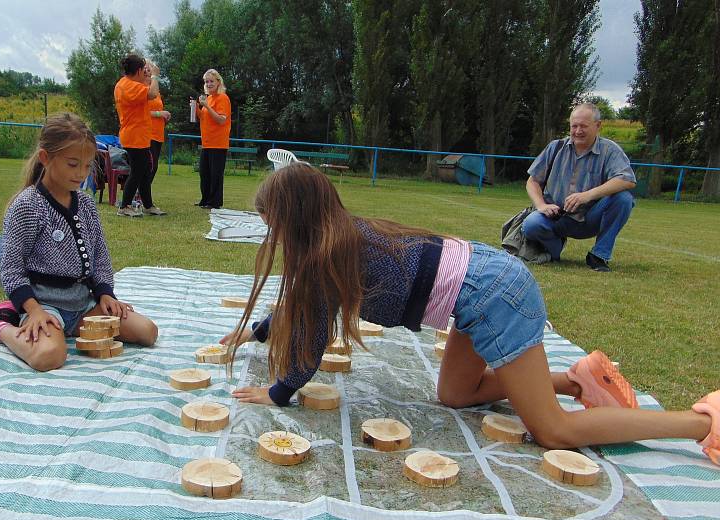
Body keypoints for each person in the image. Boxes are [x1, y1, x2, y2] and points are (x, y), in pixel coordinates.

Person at [220, 163, 718, 466]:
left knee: (553, 433)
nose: (272, 235)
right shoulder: (334, 237)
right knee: (455, 395)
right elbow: (304, 306)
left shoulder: (331, 251)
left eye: (273, 225)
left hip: (494, 294)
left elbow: (309, 329)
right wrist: (259, 331)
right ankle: (575, 379)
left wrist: (281, 391)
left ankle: (698, 424)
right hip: (478, 288)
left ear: (298, 218)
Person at [0, 113, 158, 371]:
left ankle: (61, 328)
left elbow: (100, 257)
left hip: (85, 306)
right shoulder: (27, 205)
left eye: (86, 165)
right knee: (49, 357)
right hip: (44, 305)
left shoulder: (86, 204)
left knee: (147, 331)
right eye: (73, 164)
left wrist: (105, 294)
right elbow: (12, 269)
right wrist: (34, 310)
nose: (81, 173)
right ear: (45, 158)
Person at [522, 103, 636, 272]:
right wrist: (541, 206)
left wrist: (587, 195)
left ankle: (599, 255)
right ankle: (554, 251)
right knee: (530, 224)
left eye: (583, 126)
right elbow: (532, 181)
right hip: (556, 217)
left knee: (624, 198)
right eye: (574, 126)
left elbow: (627, 180)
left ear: (598, 126)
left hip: (590, 218)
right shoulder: (555, 147)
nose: (577, 131)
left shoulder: (610, 150)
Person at [114, 53, 166, 217]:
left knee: (144, 171)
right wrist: (156, 76)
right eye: (143, 69)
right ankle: (124, 206)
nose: (146, 72)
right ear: (137, 70)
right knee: (137, 171)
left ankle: (148, 205)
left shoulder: (128, 83)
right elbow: (151, 93)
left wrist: (149, 77)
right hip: (134, 135)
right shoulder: (129, 86)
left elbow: (148, 91)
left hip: (138, 135)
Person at [192, 69, 231, 209]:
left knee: (215, 174)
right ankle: (205, 199)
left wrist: (207, 106)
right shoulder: (208, 98)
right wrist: (196, 108)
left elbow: (221, 119)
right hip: (207, 143)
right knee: (204, 173)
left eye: (211, 81)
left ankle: (215, 202)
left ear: (218, 82)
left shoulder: (222, 98)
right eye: (206, 81)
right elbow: (203, 117)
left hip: (218, 143)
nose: (208, 84)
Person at [147, 77, 171, 187]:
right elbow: (139, 112)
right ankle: (140, 195)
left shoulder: (157, 92)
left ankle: (142, 195)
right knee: (150, 165)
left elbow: (157, 110)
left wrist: (164, 116)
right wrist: (159, 114)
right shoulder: (142, 90)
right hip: (147, 133)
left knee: (154, 166)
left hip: (158, 134)